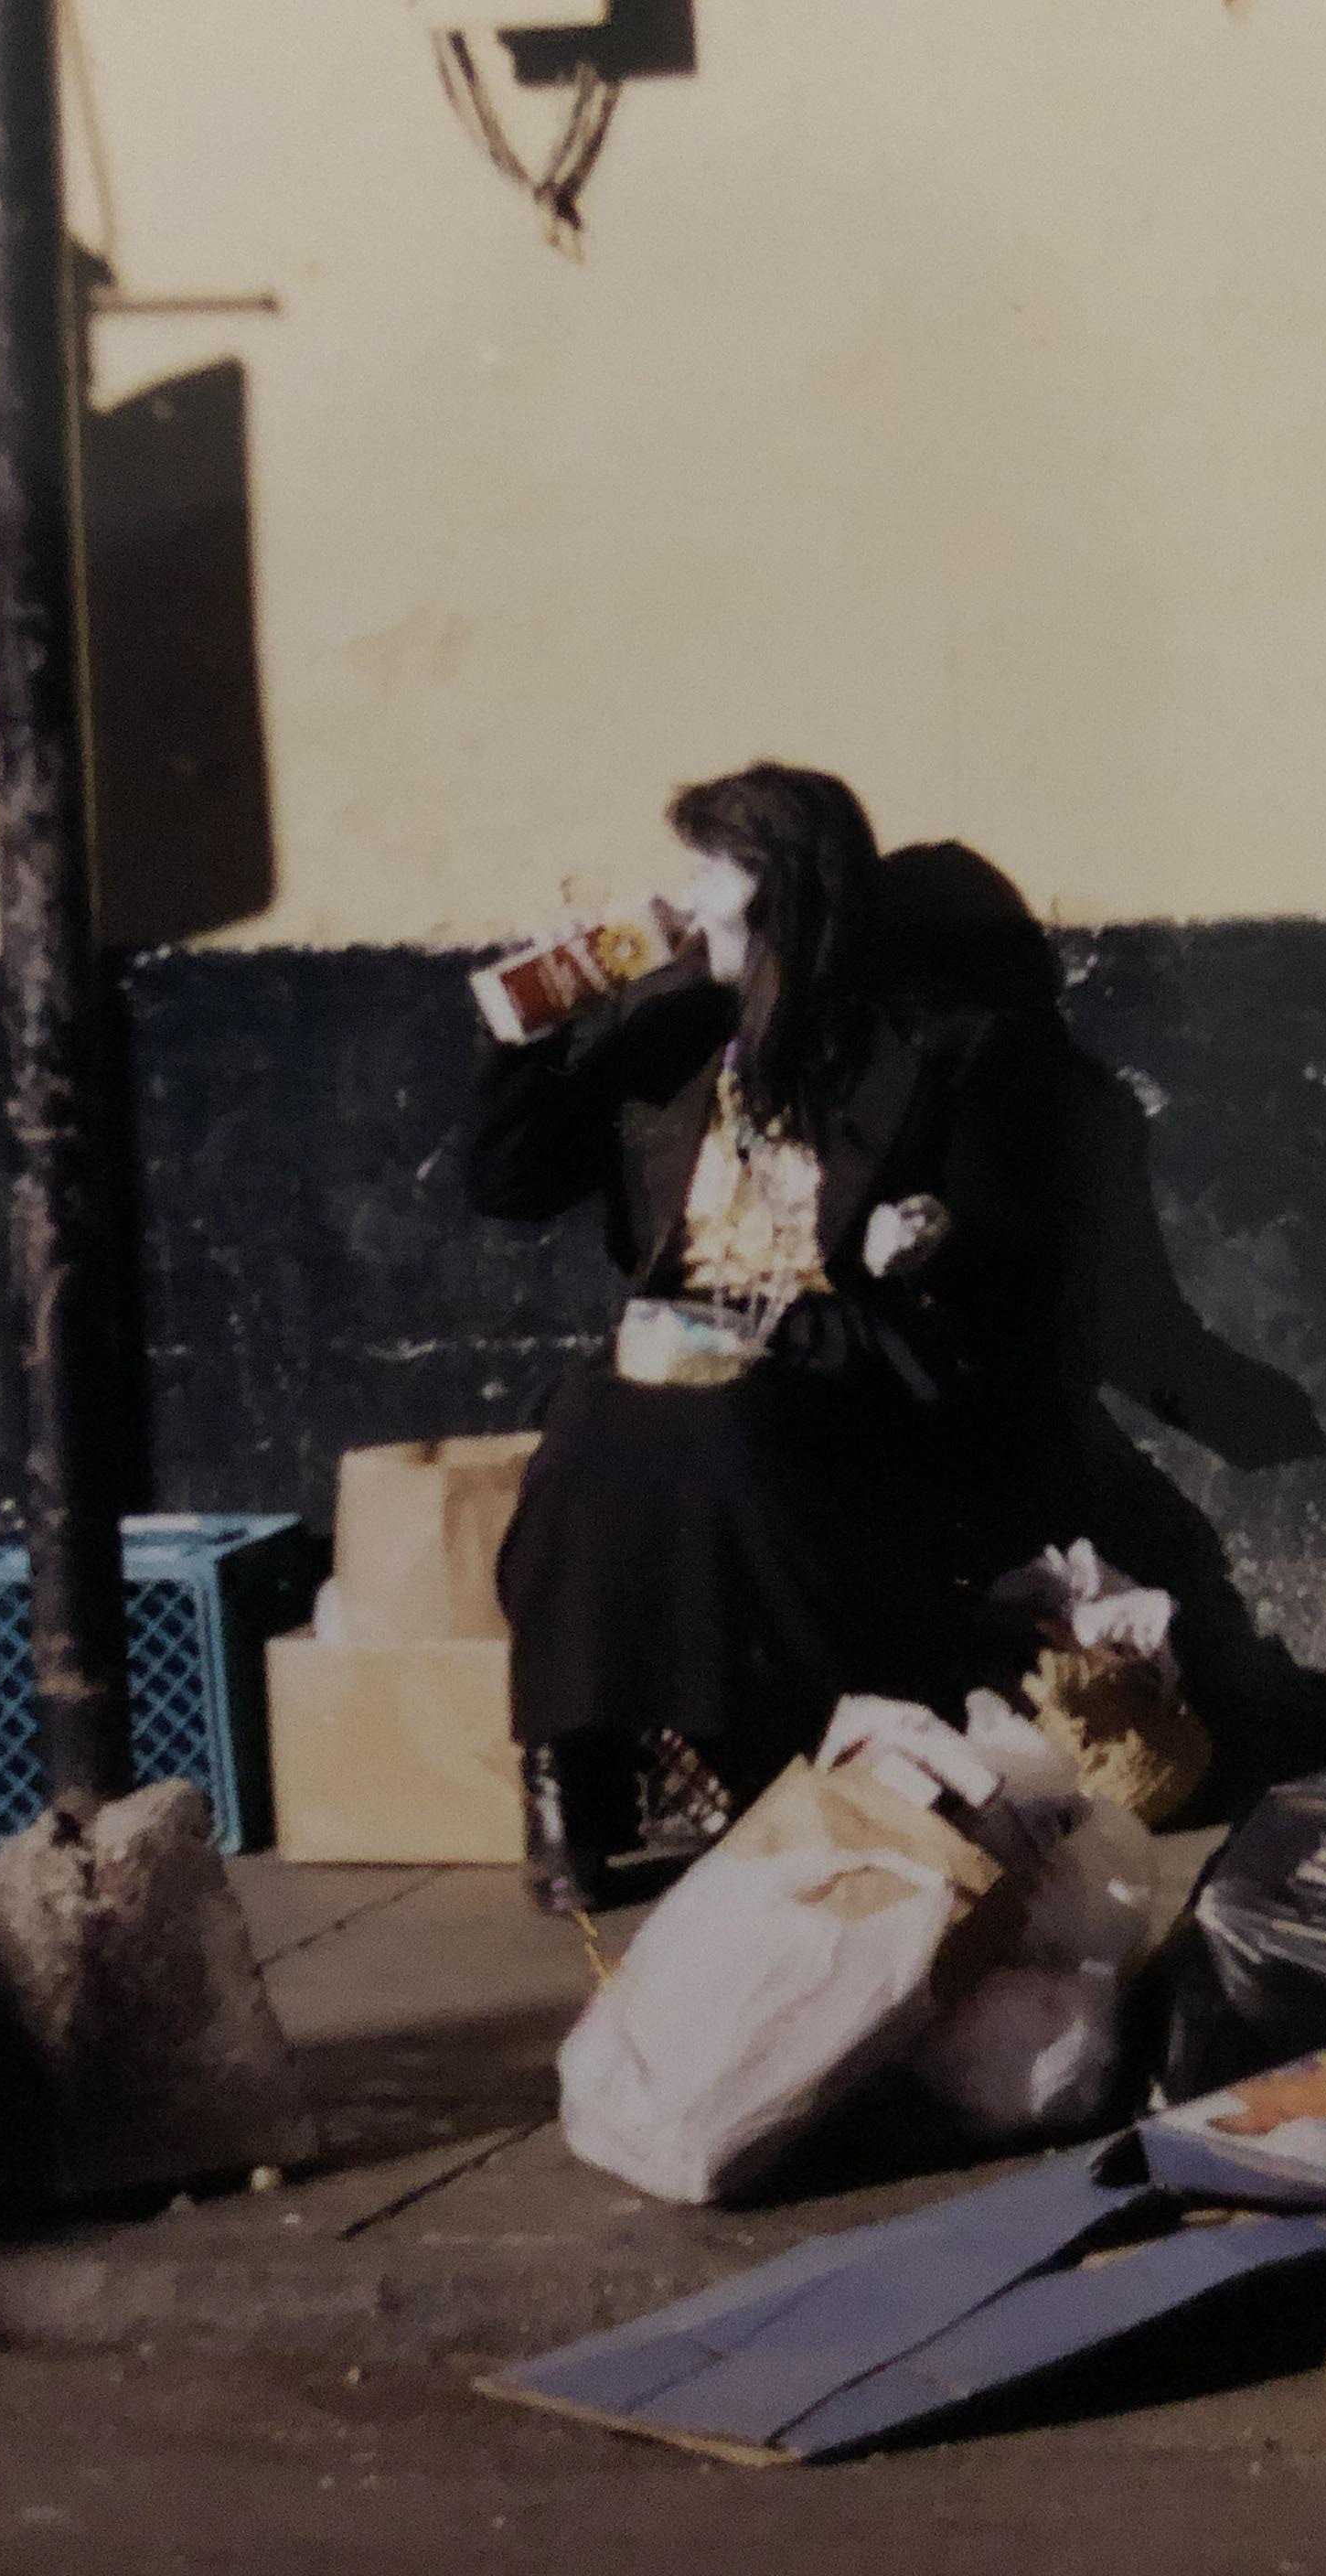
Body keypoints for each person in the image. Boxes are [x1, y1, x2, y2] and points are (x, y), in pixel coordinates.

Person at [467, 765, 1075, 1913]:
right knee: (592, 1418)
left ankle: (751, 1755)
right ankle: (569, 1775)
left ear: (789, 888)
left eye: (715, 872)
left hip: (847, 1353)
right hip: (682, 1341)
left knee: (729, 1428)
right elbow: (509, 1185)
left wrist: (932, 1237)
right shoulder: (670, 1026)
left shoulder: (935, 1047)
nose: (688, 901)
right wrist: (525, 1040)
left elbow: (1014, 1250)